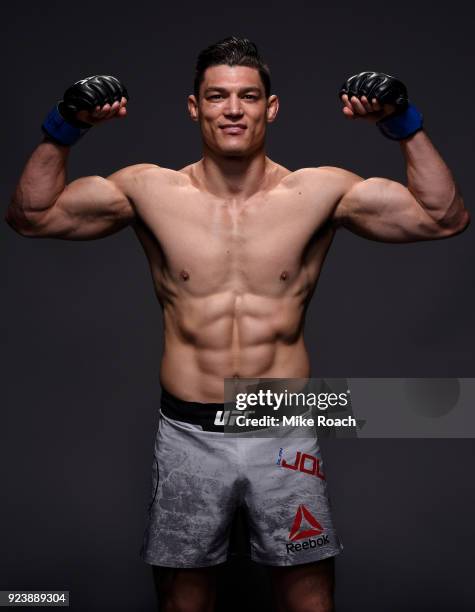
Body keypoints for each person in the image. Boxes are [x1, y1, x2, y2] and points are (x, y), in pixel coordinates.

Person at [5, 36, 469, 612]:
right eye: (217, 97)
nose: (233, 109)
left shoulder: (319, 190)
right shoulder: (148, 190)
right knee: (184, 602)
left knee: (308, 601)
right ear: (194, 107)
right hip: (188, 432)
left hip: (283, 425)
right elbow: (31, 215)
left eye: (248, 97)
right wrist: (65, 126)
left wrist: (404, 122)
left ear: (270, 108)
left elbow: (443, 217)